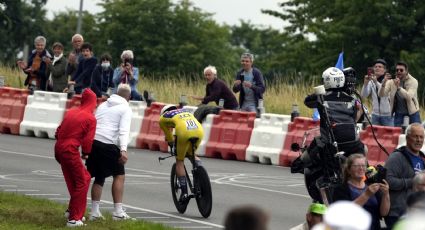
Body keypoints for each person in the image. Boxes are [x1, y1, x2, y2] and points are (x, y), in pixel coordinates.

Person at [86, 83, 133, 220]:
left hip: (94, 142)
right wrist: (123, 150)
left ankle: (94, 212)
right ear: (129, 97)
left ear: (116, 93)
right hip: (108, 144)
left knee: (99, 177)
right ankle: (118, 212)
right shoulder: (125, 108)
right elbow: (124, 130)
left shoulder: (103, 105)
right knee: (119, 175)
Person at [54, 89, 97, 227]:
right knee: (83, 180)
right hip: (69, 150)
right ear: (93, 102)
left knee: (75, 179)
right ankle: (74, 219)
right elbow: (88, 140)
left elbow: (58, 131)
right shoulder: (91, 118)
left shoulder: (72, 111)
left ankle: (72, 210)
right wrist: (86, 153)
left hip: (59, 148)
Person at [304, 67, 365, 156]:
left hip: (330, 141)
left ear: (327, 81)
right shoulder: (352, 99)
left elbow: (307, 102)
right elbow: (354, 119)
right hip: (352, 142)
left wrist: (318, 92)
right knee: (364, 150)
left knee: (306, 158)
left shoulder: (321, 97)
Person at [332, 154, 390, 230]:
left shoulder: (371, 186)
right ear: (349, 170)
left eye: (363, 165)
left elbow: (383, 213)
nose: (361, 168)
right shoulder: (341, 189)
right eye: (356, 166)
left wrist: (386, 194)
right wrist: (366, 195)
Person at [159, 104, 204, 201]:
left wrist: (171, 143)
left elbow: (170, 138)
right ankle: (201, 175)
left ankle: (184, 193)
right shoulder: (185, 111)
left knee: (180, 160)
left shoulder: (162, 118)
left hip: (184, 132)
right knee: (192, 154)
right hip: (199, 131)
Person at [384, 123, 425, 229]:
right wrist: (414, 181)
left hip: (416, 213)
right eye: (415, 136)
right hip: (397, 214)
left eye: (421, 137)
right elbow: (388, 181)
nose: (419, 140)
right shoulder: (396, 157)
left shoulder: (422, 158)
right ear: (407, 138)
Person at [379, 61, 421, 127]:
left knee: (416, 132)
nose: (399, 72)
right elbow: (381, 94)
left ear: (406, 71)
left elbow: (409, 97)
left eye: (401, 70)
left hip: (413, 113)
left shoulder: (413, 81)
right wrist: (383, 83)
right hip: (399, 114)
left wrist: (399, 88)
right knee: (397, 135)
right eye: (397, 70)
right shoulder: (392, 81)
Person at [360, 59, 393, 126]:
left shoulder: (389, 81)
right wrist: (365, 83)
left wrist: (376, 82)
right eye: (375, 67)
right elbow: (363, 96)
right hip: (375, 115)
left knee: (388, 136)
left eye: (380, 67)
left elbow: (384, 94)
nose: (377, 68)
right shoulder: (371, 81)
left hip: (387, 115)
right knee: (375, 135)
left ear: (385, 70)